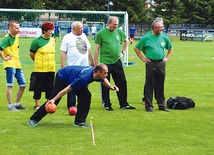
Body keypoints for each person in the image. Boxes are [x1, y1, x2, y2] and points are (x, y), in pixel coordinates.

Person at [27, 64, 119, 128]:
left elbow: (104, 80)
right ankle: (33, 119)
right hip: (63, 76)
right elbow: (67, 90)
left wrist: (110, 86)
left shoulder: (97, 75)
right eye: (105, 73)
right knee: (55, 100)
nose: (106, 75)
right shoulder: (83, 79)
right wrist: (54, 99)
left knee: (86, 96)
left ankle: (79, 121)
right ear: (98, 72)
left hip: (73, 76)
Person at [94, 16, 136, 111]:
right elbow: (96, 49)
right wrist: (96, 64)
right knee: (105, 83)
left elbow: (126, 41)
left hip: (117, 61)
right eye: (114, 24)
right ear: (109, 23)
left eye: (117, 24)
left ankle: (124, 103)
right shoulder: (101, 34)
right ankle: (107, 104)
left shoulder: (118, 32)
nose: (116, 26)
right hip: (105, 62)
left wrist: (123, 52)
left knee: (122, 82)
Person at [134, 20, 173, 112]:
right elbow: (137, 48)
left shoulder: (164, 37)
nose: (161, 29)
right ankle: (149, 105)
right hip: (151, 63)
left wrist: (167, 57)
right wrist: (143, 58)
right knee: (150, 84)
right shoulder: (147, 38)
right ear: (154, 28)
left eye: (162, 27)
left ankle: (162, 104)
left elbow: (170, 48)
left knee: (160, 84)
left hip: (161, 63)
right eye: (160, 28)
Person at [60, 21, 94, 110]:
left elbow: (88, 50)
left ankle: (83, 104)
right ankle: (71, 106)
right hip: (73, 67)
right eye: (80, 29)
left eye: (82, 28)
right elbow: (63, 52)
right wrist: (63, 65)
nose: (82, 30)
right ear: (73, 29)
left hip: (84, 67)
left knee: (84, 85)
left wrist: (92, 61)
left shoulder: (84, 36)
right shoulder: (67, 37)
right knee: (72, 86)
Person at [0, 20, 28, 111]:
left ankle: (16, 103)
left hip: (17, 64)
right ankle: (10, 105)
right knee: (10, 84)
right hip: (10, 64)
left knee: (23, 85)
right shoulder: (7, 38)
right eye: (16, 28)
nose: (18, 29)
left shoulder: (16, 38)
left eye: (19, 27)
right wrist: (4, 58)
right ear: (10, 28)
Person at [29, 21, 56, 111]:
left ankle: (49, 103)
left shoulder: (53, 40)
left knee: (50, 86)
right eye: (50, 30)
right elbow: (32, 54)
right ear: (44, 31)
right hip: (40, 68)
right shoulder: (36, 42)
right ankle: (37, 105)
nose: (52, 32)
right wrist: (38, 62)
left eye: (52, 30)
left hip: (51, 68)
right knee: (38, 86)